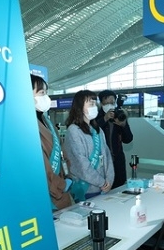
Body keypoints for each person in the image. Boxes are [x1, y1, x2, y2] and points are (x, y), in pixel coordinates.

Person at [31, 74, 73, 210]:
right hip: (48, 193)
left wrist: (68, 175)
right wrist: (60, 185)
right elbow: (41, 167)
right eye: (41, 93)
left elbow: (61, 150)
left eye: (45, 93)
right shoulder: (26, 126)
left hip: (62, 185)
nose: (45, 97)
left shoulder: (47, 121)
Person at [64, 90, 114, 201]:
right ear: (79, 107)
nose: (94, 107)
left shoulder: (97, 130)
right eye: (90, 104)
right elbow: (81, 164)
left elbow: (107, 157)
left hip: (103, 189)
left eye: (95, 104)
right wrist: (101, 182)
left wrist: (109, 180)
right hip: (86, 190)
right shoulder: (74, 131)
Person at [95, 90, 133, 188]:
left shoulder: (119, 115)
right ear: (101, 103)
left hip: (117, 161)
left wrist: (123, 125)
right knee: (104, 189)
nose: (109, 105)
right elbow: (92, 132)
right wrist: (104, 119)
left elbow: (128, 139)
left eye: (112, 103)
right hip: (101, 162)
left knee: (119, 189)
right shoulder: (94, 117)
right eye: (106, 103)